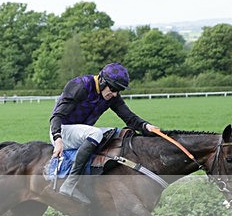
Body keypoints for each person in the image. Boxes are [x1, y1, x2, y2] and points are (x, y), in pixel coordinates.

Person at [50, 62, 158, 204]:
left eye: (118, 91)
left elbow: (128, 117)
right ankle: (70, 184)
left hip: (81, 133)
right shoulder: (80, 85)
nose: (114, 94)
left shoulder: (112, 96)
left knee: (117, 133)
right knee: (96, 134)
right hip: (62, 131)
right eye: (113, 89)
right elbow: (56, 116)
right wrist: (58, 139)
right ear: (101, 81)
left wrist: (146, 126)